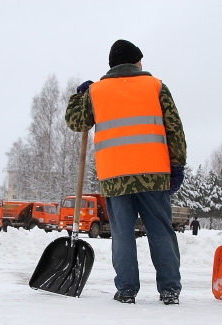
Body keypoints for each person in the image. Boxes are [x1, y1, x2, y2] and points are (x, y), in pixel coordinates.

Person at [66, 39, 187, 305]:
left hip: (115, 176)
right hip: (153, 173)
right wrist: (177, 164)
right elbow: (174, 128)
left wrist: (80, 95)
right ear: (136, 62)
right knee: (160, 231)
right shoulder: (156, 86)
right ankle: (169, 290)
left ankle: (126, 290)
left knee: (122, 234)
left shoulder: (96, 92)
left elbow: (76, 122)